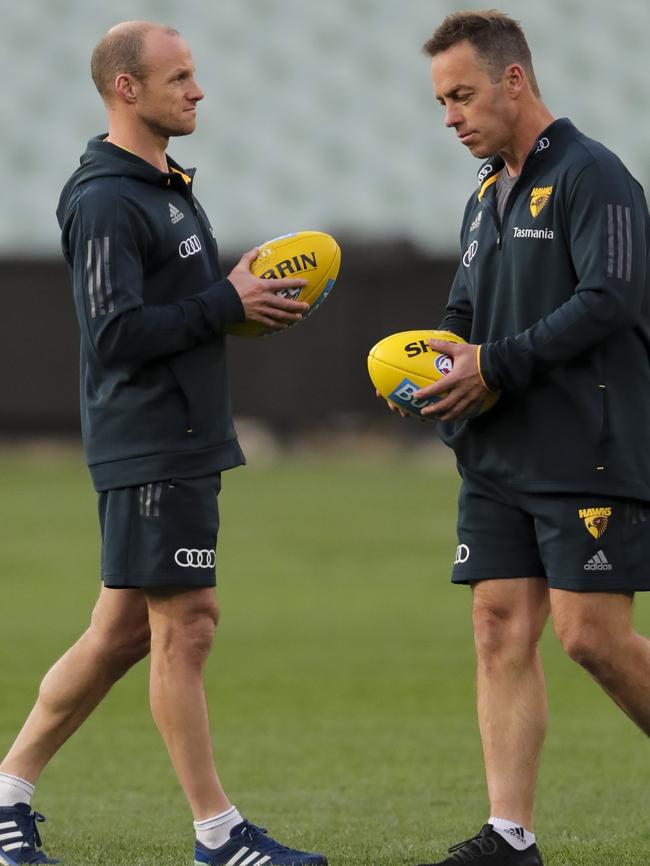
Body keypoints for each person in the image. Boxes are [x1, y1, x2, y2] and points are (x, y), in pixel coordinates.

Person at [0, 21, 327, 866]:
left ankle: (6, 796)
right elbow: (112, 333)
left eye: (194, 75)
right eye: (179, 77)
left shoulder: (163, 186)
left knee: (121, 634)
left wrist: (231, 298)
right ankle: (218, 834)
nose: (197, 90)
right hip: (149, 442)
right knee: (188, 626)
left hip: (176, 438)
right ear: (125, 89)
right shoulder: (107, 196)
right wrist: (225, 304)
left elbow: (169, 315)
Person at [390, 10, 650, 866]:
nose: (451, 116)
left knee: (593, 640)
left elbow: (609, 299)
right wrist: (431, 366)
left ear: (514, 81)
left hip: (587, 447)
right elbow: (466, 313)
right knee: (499, 627)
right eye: (440, 102)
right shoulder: (485, 192)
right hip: (496, 452)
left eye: (462, 95)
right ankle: (511, 835)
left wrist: (493, 365)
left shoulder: (594, 175)